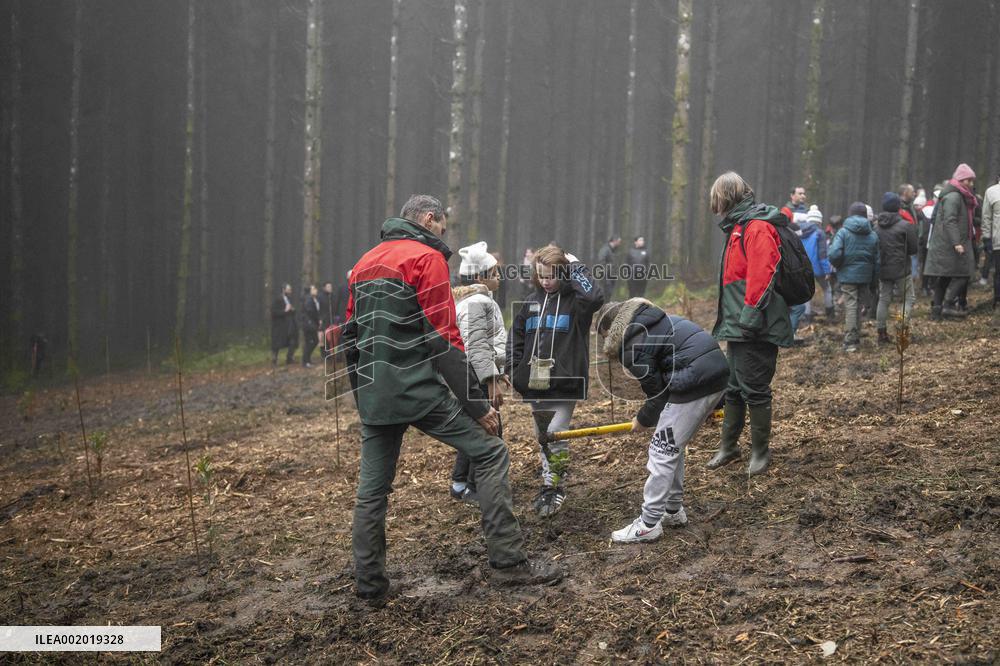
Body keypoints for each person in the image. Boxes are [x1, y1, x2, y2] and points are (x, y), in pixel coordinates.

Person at [341, 194, 561, 604]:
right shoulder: (426, 259)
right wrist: (477, 407)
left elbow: (350, 341)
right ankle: (509, 564)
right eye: (442, 226)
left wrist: (363, 399)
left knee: (371, 492)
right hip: (420, 391)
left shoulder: (364, 263)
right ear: (429, 219)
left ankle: (369, 586)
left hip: (375, 395)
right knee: (491, 452)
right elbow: (445, 341)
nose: (444, 234)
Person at [595, 298, 728, 543]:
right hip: (715, 374)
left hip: (693, 381)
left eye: (603, 336)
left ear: (610, 329)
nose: (605, 342)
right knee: (671, 446)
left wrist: (642, 419)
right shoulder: (652, 320)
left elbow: (657, 394)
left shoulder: (630, 343)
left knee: (661, 450)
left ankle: (648, 524)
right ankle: (672, 510)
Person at [704, 172, 792, 476]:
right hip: (739, 325)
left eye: (716, 200)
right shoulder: (738, 227)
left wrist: (750, 316)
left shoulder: (757, 227)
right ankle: (728, 447)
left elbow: (763, 274)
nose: (715, 208)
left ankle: (760, 453)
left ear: (726, 198)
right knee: (733, 388)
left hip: (756, 325)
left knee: (755, 388)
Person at [508, 244, 604, 516]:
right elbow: (515, 337)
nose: (546, 281)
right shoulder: (530, 302)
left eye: (551, 275)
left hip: (565, 382)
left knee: (556, 433)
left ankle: (554, 486)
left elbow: (594, 297)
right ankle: (550, 478)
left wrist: (576, 267)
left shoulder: (577, 303)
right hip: (534, 383)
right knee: (543, 436)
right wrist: (515, 370)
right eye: (541, 275)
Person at [449, 241, 508, 505]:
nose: (499, 277)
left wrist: (499, 373)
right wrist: (491, 380)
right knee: (489, 430)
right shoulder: (477, 302)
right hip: (478, 377)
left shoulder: (470, 299)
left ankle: (460, 482)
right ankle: (476, 487)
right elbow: (477, 345)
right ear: (480, 277)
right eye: (494, 273)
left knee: (475, 427)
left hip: (474, 375)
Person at [924, 164, 977, 320]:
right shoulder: (954, 196)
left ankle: (936, 311)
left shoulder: (957, 195)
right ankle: (947, 305)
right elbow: (950, 220)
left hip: (948, 243)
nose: (971, 184)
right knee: (964, 273)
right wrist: (957, 243)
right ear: (960, 180)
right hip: (950, 244)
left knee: (945, 277)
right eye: (968, 180)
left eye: (972, 180)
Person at [829, 202, 880, 352]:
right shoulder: (872, 234)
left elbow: (834, 253)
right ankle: (856, 335)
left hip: (847, 275)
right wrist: (874, 279)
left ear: (850, 214)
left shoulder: (843, 232)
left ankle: (850, 340)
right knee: (859, 305)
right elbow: (877, 261)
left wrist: (839, 266)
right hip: (866, 275)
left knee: (851, 305)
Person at [874, 192, 918, 344]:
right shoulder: (906, 226)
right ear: (898, 207)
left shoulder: (876, 227)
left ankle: (881, 334)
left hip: (883, 269)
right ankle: (901, 331)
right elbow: (913, 249)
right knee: (908, 299)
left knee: (884, 299)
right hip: (901, 269)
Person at [802, 205, 834, 320]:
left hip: (804, 267)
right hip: (818, 268)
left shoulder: (800, 232)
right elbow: (822, 254)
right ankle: (830, 314)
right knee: (827, 289)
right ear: (819, 221)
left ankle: (807, 317)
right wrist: (827, 271)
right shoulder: (820, 233)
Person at [982, 172, 1000, 325]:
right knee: (999, 273)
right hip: (998, 241)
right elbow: (986, 217)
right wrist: (986, 238)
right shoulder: (992, 192)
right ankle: (998, 304)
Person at [270, 284, 298, 366]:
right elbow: (274, 312)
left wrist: (292, 310)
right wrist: (285, 310)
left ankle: (289, 358)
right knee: (277, 343)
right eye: (288, 289)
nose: (290, 291)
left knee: (293, 341)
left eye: (290, 289)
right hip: (280, 326)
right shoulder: (278, 299)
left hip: (289, 325)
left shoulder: (289, 299)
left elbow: (291, 311)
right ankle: (274, 359)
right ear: (283, 290)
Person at [300, 284, 321, 367]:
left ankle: (307, 360)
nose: (316, 290)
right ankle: (305, 361)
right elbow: (310, 311)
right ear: (310, 291)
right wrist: (317, 319)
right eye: (314, 289)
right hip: (308, 324)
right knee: (311, 342)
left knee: (313, 341)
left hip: (311, 323)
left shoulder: (312, 299)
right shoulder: (308, 299)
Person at [596, 234, 621, 299]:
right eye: (619, 241)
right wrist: (605, 273)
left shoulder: (614, 250)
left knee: (609, 294)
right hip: (606, 276)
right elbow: (601, 261)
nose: (619, 243)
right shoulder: (605, 249)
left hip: (612, 276)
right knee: (605, 293)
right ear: (614, 241)